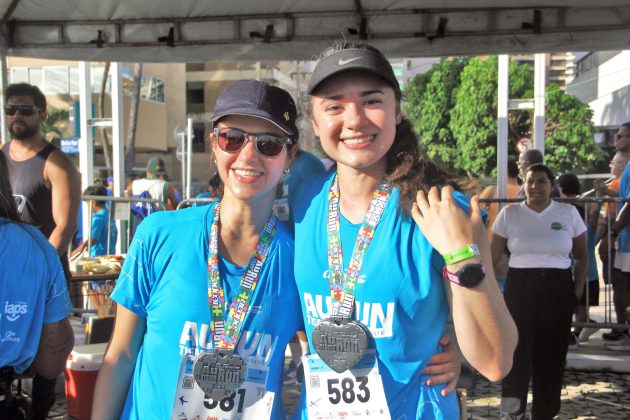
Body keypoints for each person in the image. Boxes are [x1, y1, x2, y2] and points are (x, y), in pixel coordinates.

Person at [92, 80, 461, 420]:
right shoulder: (159, 235)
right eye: (232, 139)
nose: (248, 156)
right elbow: (120, 354)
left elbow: (354, 321)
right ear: (214, 144)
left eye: (268, 144)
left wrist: (447, 347)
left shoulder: (299, 257)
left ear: (290, 156)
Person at [293, 42, 517, 419]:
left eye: (372, 101)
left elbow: (495, 362)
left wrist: (461, 257)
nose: (355, 120)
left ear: (397, 111)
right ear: (314, 123)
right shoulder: (304, 200)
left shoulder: (441, 210)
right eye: (334, 106)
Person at [0, 82, 81, 420]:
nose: (16, 116)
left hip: (43, 272)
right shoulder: (1, 155)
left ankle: (41, 409)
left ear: (42, 115)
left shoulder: (56, 162)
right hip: (11, 270)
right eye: (10, 109)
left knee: (48, 356)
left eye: (25, 109)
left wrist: (35, 269)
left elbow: (65, 226)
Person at [491, 163, 588, 419]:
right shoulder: (509, 214)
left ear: (552, 184)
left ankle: (546, 412)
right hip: (520, 287)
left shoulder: (568, 213)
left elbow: (582, 257)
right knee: (516, 350)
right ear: (523, 184)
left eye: (541, 181)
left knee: (552, 353)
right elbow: (491, 258)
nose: (535, 186)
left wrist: (576, 292)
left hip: (558, 287)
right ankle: (512, 412)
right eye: (530, 181)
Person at [557, 173, 601, 347]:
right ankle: (581, 328)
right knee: (576, 307)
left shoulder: (587, 230)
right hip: (577, 274)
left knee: (581, 306)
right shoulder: (577, 230)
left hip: (587, 275)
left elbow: (595, 213)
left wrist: (599, 195)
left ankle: (577, 332)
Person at [71, 184, 118, 309]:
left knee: (93, 287)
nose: (87, 206)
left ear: (93, 202)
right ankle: (105, 312)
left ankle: (101, 313)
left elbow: (91, 240)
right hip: (108, 256)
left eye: (87, 202)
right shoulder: (109, 215)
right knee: (105, 288)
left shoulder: (98, 218)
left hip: (97, 259)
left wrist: (75, 252)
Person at [479, 156, 522, 291]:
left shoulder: (491, 191)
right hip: (517, 247)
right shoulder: (524, 192)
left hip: (491, 244)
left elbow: (475, 215)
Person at [605, 122, 630, 349]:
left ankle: (625, 331)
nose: (616, 139)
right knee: (620, 283)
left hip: (627, 239)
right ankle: (623, 329)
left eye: (620, 135)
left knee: (623, 284)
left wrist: (613, 230)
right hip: (625, 239)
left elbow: (629, 205)